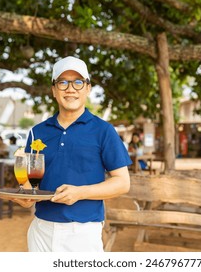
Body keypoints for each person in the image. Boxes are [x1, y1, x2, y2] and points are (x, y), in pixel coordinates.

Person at [10, 56, 132, 252]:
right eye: (63, 82)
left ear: (87, 88)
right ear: (54, 90)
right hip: (41, 230)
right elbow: (31, 180)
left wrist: (80, 192)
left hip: (83, 233)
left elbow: (122, 182)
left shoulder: (104, 130)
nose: (70, 89)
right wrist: (26, 194)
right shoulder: (37, 132)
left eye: (78, 82)